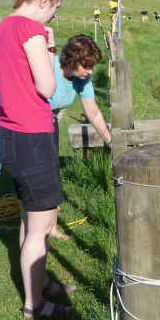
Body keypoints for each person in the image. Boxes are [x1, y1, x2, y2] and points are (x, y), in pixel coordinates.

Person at [0, 0, 73, 319]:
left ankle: (37, 284)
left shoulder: (3, 27)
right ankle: (34, 304)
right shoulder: (32, 30)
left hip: (8, 132)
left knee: (30, 215)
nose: (54, 14)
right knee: (40, 226)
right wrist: (50, 48)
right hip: (33, 136)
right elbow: (47, 87)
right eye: (54, 6)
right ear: (43, 0)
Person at [47, 34, 111, 240]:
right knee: (39, 178)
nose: (90, 71)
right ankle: (34, 227)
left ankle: (52, 227)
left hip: (50, 123)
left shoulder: (82, 80)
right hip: (30, 125)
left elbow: (92, 112)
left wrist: (109, 140)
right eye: (86, 66)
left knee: (52, 173)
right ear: (73, 60)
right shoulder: (49, 67)